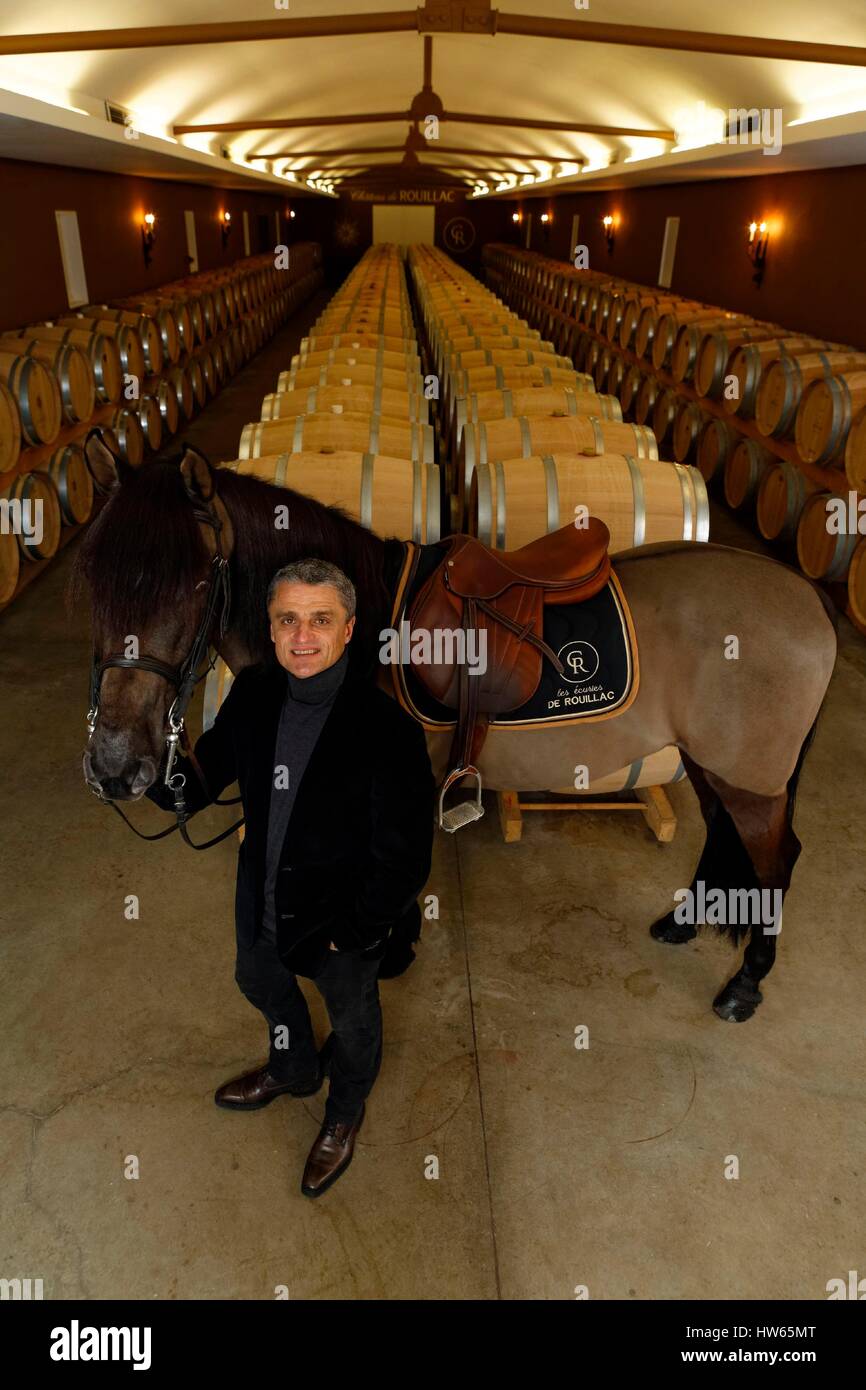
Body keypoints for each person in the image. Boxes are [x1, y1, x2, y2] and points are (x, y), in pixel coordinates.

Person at [147, 558, 435, 1197]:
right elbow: (200, 782)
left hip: (340, 924)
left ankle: (342, 1111)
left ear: (349, 630)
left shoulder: (387, 731)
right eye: (288, 620)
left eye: (320, 620)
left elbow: (407, 856)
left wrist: (356, 930)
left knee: (354, 1025)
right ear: (271, 629)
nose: (302, 637)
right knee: (257, 979)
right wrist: (147, 770)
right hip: (263, 901)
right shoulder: (253, 693)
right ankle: (295, 1066)